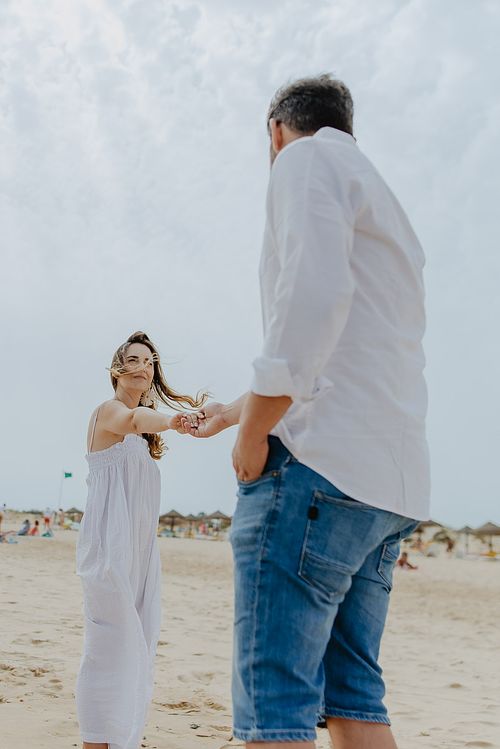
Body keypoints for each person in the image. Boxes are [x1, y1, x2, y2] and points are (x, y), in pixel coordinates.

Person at [182, 75, 430, 749]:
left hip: (318, 471)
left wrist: (254, 433)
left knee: (277, 703)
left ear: (275, 131)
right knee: (356, 696)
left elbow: (313, 301)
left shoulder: (303, 157)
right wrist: (234, 412)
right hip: (387, 485)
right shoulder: (383, 199)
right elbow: (344, 349)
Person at [75, 331, 206, 749]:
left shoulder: (143, 438)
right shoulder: (109, 413)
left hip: (140, 553)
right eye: (133, 359)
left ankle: (122, 739)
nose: (142, 368)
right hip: (108, 549)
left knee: (138, 645)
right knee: (108, 646)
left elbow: (140, 425)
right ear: (117, 369)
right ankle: (95, 741)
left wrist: (167, 422)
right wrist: (172, 421)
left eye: (149, 362)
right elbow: (133, 419)